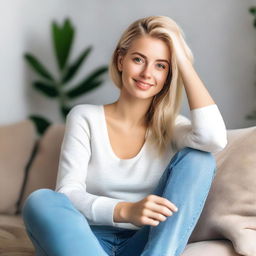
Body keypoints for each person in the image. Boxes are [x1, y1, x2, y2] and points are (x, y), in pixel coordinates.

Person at [22, 15, 227, 256]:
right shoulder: (84, 117)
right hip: (84, 241)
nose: (147, 73)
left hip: (146, 244)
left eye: (161, 65)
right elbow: (68, 194)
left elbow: (214, 140)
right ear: (121, 60)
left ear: (170, 74)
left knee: (199, 159)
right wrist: (125, 210)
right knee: (41, 200)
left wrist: (182, 61)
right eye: (139, 59)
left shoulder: (174, 128)